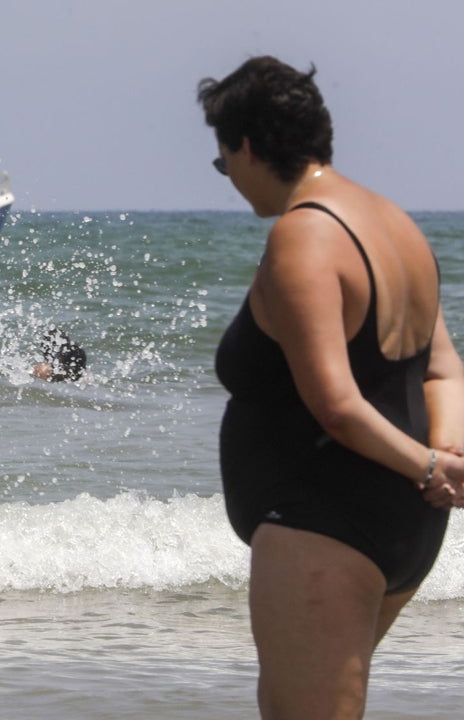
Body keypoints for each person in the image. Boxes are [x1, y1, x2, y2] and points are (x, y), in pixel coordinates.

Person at [199, 55, 464, 718]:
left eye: (222, 159)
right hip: (402, 521)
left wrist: (434, 466)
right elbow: (443, 371)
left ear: (248, 146)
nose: (229, 177)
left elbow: (338, 407)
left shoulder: (306, 237)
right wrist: (440, 468)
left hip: (328, 523)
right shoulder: (395, 224)